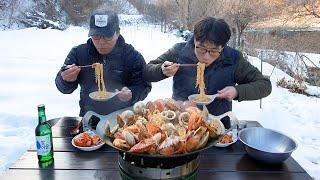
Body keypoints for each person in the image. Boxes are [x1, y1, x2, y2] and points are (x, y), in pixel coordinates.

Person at [144, 17, 272, 128]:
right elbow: (146, 72)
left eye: (214, 51)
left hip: (218, 125)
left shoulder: (233, 59)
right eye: (201, 48)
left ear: (223, 47)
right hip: (181, 123)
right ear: (194, 40)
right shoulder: (179, 51)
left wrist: (237, 91)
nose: (206, 56)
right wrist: (162, 70)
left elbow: (265, 85)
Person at [55, 11, 151, 117]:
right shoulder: (79, 53)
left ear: (117, 33)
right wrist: (65, 80)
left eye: (107, 36)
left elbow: (144, 85)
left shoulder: (132, 56)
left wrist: (132, 93)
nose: (101, 42)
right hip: (90, 117)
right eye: (96, 36)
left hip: (123, 119)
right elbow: (63, 87)